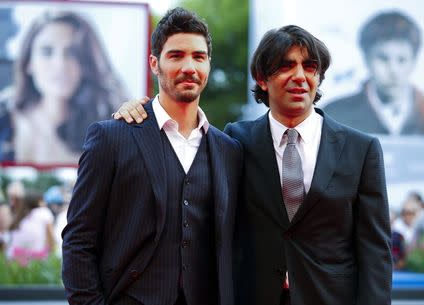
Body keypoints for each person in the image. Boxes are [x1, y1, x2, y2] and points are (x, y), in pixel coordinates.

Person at [115, 24, 392, 305]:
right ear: (261, 79)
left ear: (318, 77)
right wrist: (139, 110)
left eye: (309, 67)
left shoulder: (361, 149)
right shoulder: (235, 141)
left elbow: (375, 251)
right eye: (285, 66)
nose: (299, 76)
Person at [62, 7, 243, 305]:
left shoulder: (228, 150)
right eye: (176, 55)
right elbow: (79, 240)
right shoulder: (112, 137)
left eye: (199, 56)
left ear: (209, 64)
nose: (189, 66)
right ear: (154, 64)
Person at [0, 11, 127, 163]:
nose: (60, 65)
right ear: (28, 63)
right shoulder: (5, 117)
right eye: (47, 52)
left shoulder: (112, 125)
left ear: (87, 63)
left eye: (72, 53)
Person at [323, 11, 424, 136]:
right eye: (383, 59)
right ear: (366, 59)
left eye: (402, 59)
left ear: (414, 61)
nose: (393, 70)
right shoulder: (335, 115)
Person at [5, 188, 55, 261]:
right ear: (39, 202)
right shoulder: (44, 212)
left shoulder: (20, 216)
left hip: (14, 258)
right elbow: (51, 239)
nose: (45, 203)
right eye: (43, 200)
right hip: (36, 258)